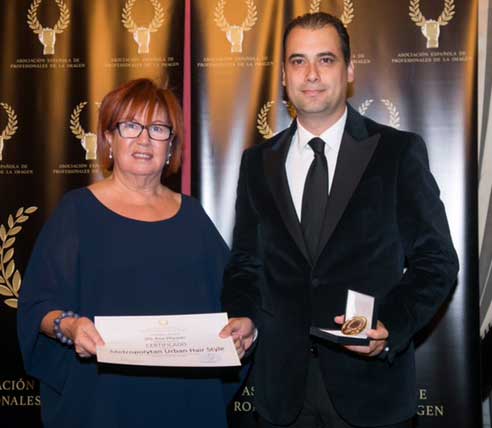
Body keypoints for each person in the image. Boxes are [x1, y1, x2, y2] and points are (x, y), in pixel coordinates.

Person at [220, 12, 459, 428]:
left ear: (349, 71)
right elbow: (246, 262)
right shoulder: (257, 163)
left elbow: (436, 260)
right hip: (281, 396)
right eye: (298, 61)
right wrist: (242, 315)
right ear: (284, 75)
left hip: (372, 393)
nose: (311, 74)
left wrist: (392, 324)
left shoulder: (397, 152)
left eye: (326, 60)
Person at [18, 78, 233, 428]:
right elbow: (37, 305)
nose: (144, 139)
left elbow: (233, 296)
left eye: (158, 128)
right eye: (131, 125)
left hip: (184, 401)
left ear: (171, 145)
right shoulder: (77, 212)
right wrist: (69, 325)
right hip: (101, 402)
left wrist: (242, 325)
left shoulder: (193, 216)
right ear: (108, 139)